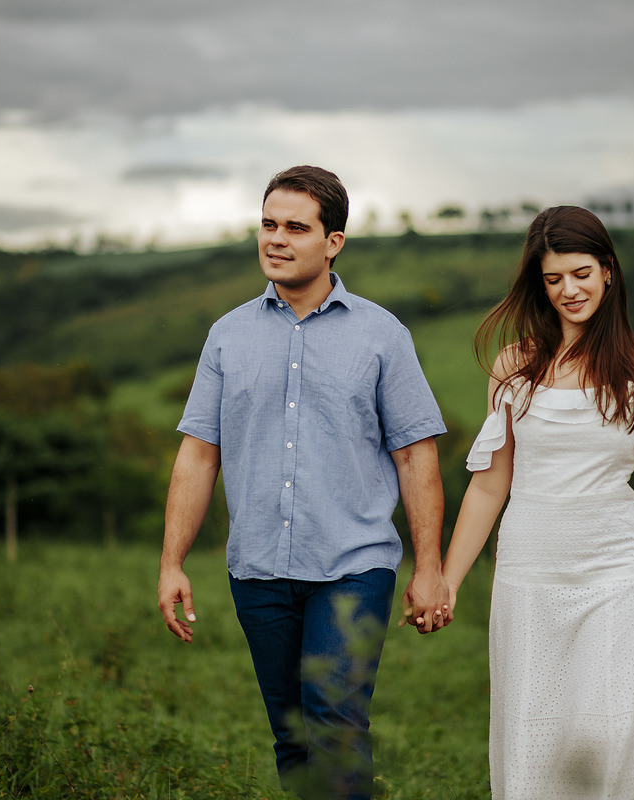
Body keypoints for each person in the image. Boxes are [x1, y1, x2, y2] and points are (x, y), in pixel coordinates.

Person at [157, 165, 451, 800]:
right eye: (268, 224)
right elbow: (197, 456)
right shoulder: (227, 336)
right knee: (291, 735)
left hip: (354, 564)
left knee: (334, 724)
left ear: (333, 241)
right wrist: (171, 562)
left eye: (296, 227)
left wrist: (429, 567)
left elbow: (416, 456)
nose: (277, 239)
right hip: (257, 569)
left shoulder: (382, 335)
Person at [440, 205, 634, 798]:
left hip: (622, 573)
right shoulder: (514, 367)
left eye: (581, 273)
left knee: (603, 733)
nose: (569, 290)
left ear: (609, 271)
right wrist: (448, 581)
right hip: (530, 574)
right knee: (538, 746)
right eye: (553, 279)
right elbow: (490, 485)